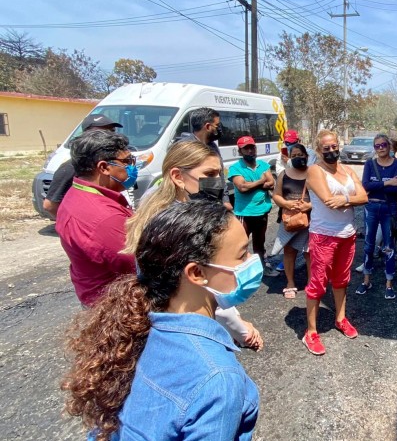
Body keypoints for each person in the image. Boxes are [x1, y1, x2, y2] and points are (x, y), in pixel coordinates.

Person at [63, 201, 261, 441]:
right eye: (241, 256)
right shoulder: (217, 379)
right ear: (196, 273)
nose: (252, 263)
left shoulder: (129, 335)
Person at [125, 140, 263, 351]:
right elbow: (204, 287)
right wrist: (242, 330)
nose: (217, 182)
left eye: (219, 174)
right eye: (209, 175)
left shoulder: (158, 202)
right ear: (178, 176)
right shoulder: (181, 226)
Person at [302, 129, 368, 355]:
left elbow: (364, 197)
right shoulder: (315, 170)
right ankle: (311, 332)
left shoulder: (348, 169)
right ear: (318, 150)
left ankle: (341, 318)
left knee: (341, 280)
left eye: (334, 146)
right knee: (318, 283)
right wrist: (349, 200)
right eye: (326, 148)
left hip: (347, 234)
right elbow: (329, 201)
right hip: (323, 235)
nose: (332, 151)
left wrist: (346, 199)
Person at [55, 129, 137, 306]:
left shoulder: (77, 193)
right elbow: (138, 265)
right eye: (127, 161)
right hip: (116, 305)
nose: (132, 167)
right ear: (104, 167)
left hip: (96, 297)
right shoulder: (104, 217)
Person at [357, 133, 397, 300]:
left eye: (383, 145)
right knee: (368, 245)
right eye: (376, 146)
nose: (380, 148)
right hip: (371, 207)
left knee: (388, 247)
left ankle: (389, 283)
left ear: (389, 146)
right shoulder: (369, 164)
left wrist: (377, 186)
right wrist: (387, 183)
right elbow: (365, 185)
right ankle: (366, 280)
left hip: (389, 208)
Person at [43, 114, 125, 218]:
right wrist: (77, 223)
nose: (110, 136)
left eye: (112, 131)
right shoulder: (71, 167)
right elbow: (50, 205)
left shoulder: (114, 163)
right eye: (102, 133)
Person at [228, 135, 278, 276]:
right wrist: (261, 181)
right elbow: (242, 188)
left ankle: (261, 268)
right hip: (244, 213)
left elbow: (271, 183)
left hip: (262, 211)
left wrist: (254, 184)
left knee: (259, 243)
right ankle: (239, 272)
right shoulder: (235, 168)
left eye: (251, 147)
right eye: (246, 149)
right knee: (240, 244)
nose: (250, 151)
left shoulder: (263, 165)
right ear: (240, 151)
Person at [272, 143, 312, 299]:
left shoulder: (313, 173)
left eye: (300, 155)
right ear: (289, 158)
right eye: (294, 156)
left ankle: (311, 283)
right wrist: (286, 204)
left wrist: (309, 205)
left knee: (310, 252)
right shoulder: (284, 174)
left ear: (307, 157)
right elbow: (276, 195)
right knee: (289, 251)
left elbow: (323, 196)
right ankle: (290, 283)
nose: (297, 158)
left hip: (310, 218)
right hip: (289, 218)